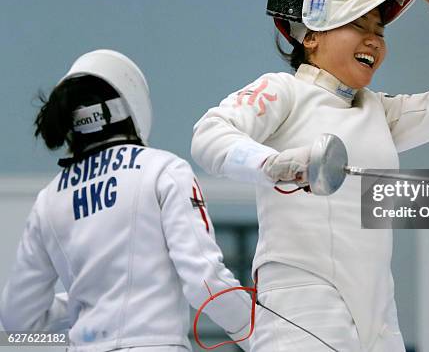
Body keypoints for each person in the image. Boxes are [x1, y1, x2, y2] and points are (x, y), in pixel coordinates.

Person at [191, 0, 429, 351]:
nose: (373, 40)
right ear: (312, 37)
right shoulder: (284, 91)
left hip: (378, 312)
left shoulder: (375, 110)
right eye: (358, 25)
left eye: (379, 29)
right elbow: (209, 136)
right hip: (303, 306)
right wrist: (274, 164)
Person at [0, 50, 252, 352]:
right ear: (131, 101)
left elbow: (18, 324)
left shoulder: (49, 200)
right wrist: (266, 337)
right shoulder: (163, 170)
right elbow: (207, 284)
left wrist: (88, 317)